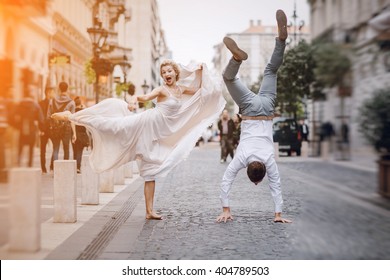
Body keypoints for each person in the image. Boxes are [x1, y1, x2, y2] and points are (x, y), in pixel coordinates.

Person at [52, 60, 225, 220]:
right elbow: (144, 97)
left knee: (150, 171)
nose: (166, 74)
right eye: (164, 71)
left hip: (157, 133)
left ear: (175, 73)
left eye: (169, 70)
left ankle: (149, 211)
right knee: (114, 126)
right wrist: (133, 101)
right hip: (145, 124)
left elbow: (201, 91)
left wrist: (200, 71)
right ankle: (72, 117)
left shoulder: (180, 89)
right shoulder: (161, 90)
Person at [216, 9, 291, 224]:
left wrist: (278, 214)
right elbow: (226, 181)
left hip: (266, 108)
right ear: (248, 171)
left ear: (262, 173)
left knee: (270, 71)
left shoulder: (269, 160)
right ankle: (236, 59)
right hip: (248, 110)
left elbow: (276, 186)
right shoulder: (241, 158)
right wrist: (226, 209)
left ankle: (281, 41)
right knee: (228, 78)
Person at [47, 81, 76, 171]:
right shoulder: (71, 102)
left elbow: (48, 115)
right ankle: (65, 170)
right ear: (67, 89)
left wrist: (53, 124)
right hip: (66, 128)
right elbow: (72, 118)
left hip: (55, 128)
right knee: (66, 148)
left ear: (59, 89)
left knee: (55, 148)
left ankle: (55, 169)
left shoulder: (52, 101)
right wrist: (74, 133)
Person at [15, 86, 44, 167]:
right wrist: (42, 129)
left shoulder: (20, 104)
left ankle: (18, 162)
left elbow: (15, 117)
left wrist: (18, 126)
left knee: (20, 146)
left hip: (23, 128)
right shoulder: (35, 105)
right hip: (32, 129)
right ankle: (29, 164)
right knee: (31, 148)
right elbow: (41, 119)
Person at [39, 86, 54, 173]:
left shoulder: (54, 103)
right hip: (44, 129)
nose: (53, 94)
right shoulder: (41, 103)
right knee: (42, 150)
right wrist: (40, 129)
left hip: (52, 129)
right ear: (48, 93)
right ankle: (43, 168)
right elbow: (39, 117)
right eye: (52, 92)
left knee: (55, 148)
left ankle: (52, 166)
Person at [72, 97, 90, 173]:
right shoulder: (83, 113)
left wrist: (74, 134)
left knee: (75, 151)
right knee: (79, 151)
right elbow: (86, 125)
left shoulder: (73, 112)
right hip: (82, 134)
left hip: (74, 134)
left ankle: (75, 166)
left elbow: (72, 122)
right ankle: (78, 167)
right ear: (80, 104)